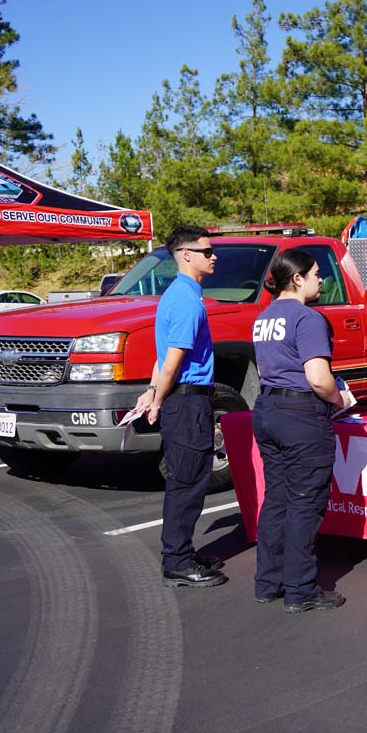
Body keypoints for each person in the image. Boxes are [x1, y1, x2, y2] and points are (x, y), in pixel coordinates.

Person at [250, 248, 349, 613]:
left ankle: (268, 582)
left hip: (268, 409)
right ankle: (301, 589)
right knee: (305, 503)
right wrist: (339, 401)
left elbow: (264, 371)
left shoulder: (263, 317)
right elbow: (319, 379)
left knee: (276, 500)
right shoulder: (307, 318)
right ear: (297, 278)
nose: (321, 280)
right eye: (316, 274)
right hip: (301, 414)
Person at [134, 225, 228, 589]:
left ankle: (182, 551)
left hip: (183, 399)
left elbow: (162, 360)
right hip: (188, 402)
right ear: (186, 255)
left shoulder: (176, 294)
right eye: (207, 251)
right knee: (188, 483)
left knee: (185, 479)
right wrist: (156, 400)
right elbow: (173, 360)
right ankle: (177, 560)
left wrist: (151, 392)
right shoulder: (187, 300)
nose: (213, 256)